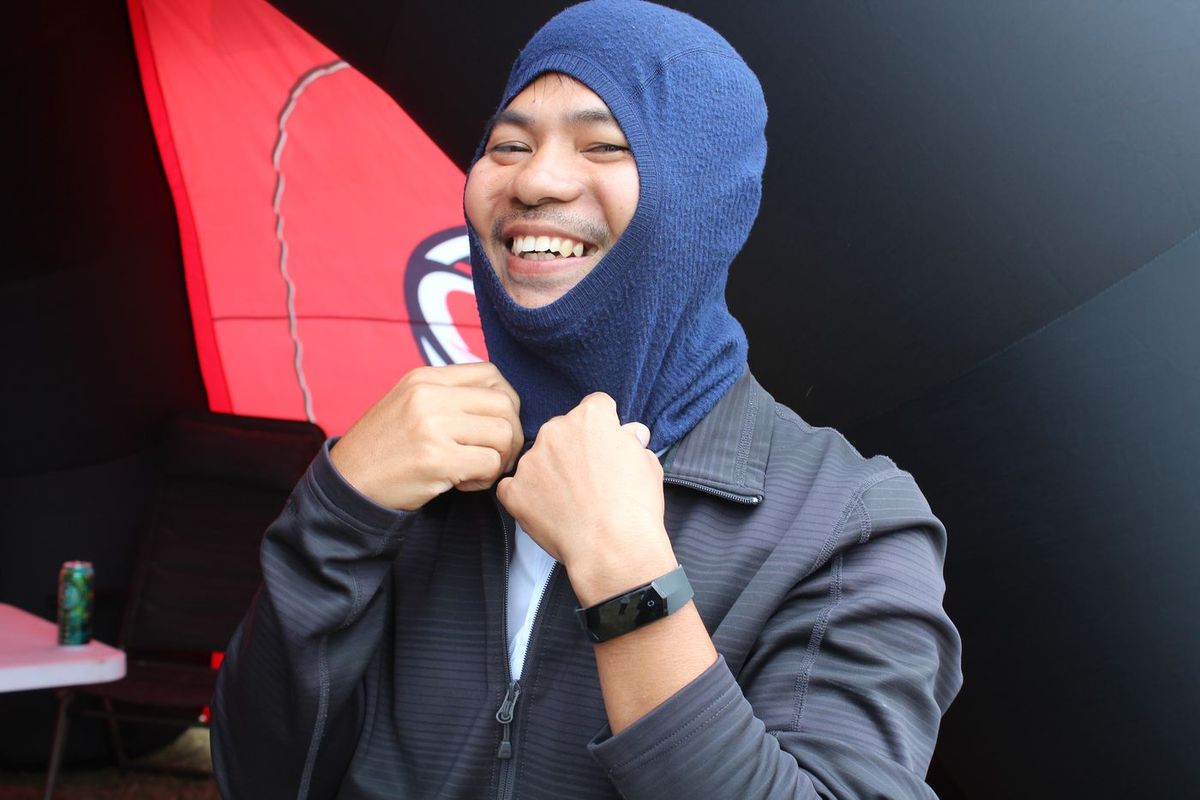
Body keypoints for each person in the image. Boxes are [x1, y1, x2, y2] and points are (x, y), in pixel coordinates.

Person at [210, 1, 962, 797]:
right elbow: (259, 779)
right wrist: (337, 510)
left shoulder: (845, 523)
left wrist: (627, 577)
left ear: (703, 199)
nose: (534, 180)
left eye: (604, 145)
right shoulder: (408, 472)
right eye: (507, 145)